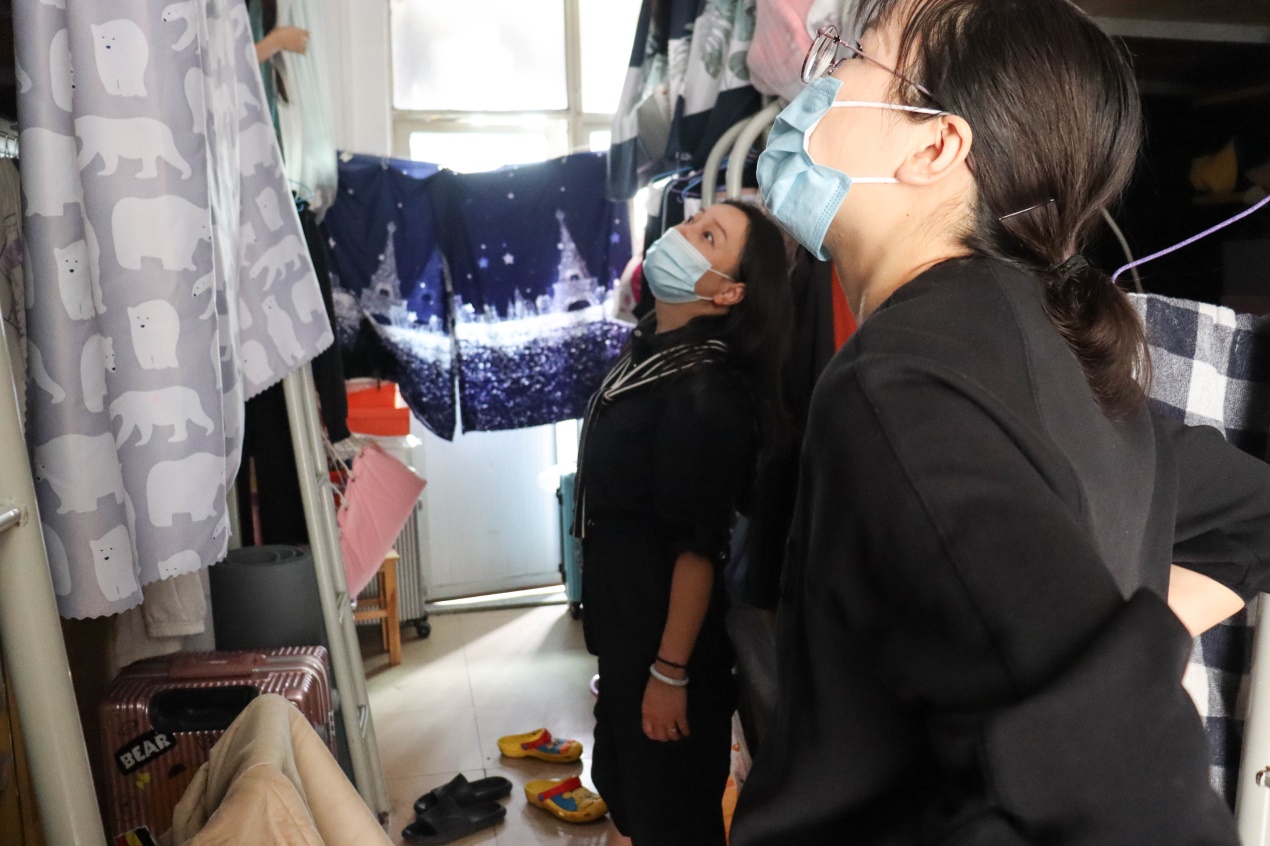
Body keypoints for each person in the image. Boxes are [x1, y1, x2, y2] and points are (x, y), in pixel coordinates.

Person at [730, 1, 1270, 844]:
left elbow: (1127, 790)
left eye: (853, 54)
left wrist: (1112, 660)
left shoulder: (901, 385)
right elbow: (1256, 519)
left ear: (936, 147)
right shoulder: (1055, 357)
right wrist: (1132, 629)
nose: (818, 77)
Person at [576, 199, 792, 845]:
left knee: (672, 819)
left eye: (707, 235)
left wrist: (669, 674)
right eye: (693, 222)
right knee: (626, 793)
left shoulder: (706, 392)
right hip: (626, 630)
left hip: (664, 647)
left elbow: (699, 551)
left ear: (729, 292)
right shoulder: (653, 354)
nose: (680, 231)